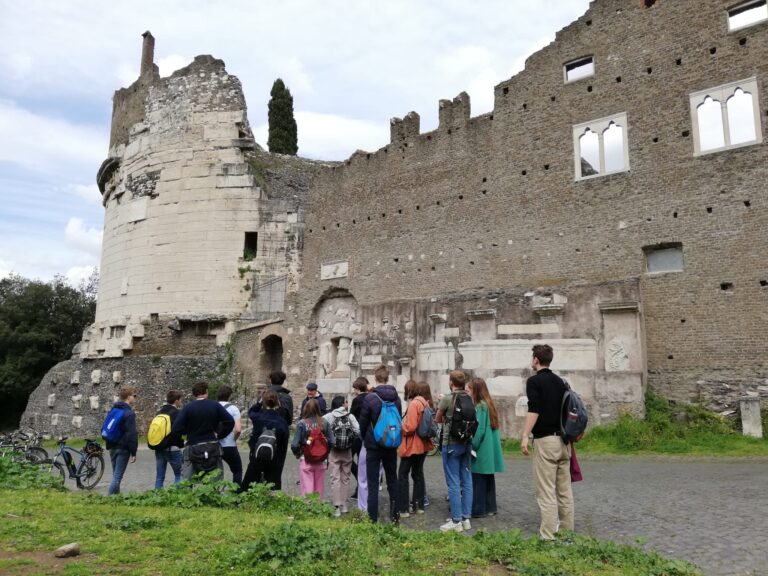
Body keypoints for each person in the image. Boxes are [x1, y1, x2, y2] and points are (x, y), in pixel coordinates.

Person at [521, 343, 573, 540]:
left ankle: (548, 536)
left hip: (545, 441)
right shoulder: (561, 382)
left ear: (536, 359)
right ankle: (567, 534)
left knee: (546, 491)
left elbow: (534, 410)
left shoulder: (534, 382)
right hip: (564, 441)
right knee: (564, 491)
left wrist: (525, 435)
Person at [358, 364, 402, 523]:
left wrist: (366, 439)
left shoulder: (370, 398)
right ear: (388, 377)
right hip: (391, 445)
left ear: (375, 378)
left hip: (373, 446)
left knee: (373, 484)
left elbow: (363, 424)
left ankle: (372, 521)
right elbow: (398, 421)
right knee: (392, 480)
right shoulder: (396, 398)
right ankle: (395, 518)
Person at [172, 381, 234, 481]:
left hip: (193, 445)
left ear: (194, 394)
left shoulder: (188, 408)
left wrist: (184, 436)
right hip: (212, 446)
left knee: (187, 482)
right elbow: (230, 421)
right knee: (214, 481)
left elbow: (176, 429)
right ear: (206, 391)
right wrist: (220, 434)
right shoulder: (215, 405)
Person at [435, 370, 474, 532]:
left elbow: (437, 419)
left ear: (451, 383)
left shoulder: (448, 399)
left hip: (450, 444)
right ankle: (466, 518)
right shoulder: (469, 398)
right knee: (467, 480)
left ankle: (456, 521)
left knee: (453, 482)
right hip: (466, 443)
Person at [467, 377, 504, 518]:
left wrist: (472, 445)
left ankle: (478, 509)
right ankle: (490, 507)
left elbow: (479, 429)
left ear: (476, 390)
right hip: (489, 448)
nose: (467, 391)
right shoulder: (488, 403)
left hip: (482, 449)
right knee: (488, 478)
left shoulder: (480, 406)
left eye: (469, 389)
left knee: (478, 479)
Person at [242, 389, 290, 491]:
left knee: (249, 485)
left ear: (263, 401)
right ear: (277, 402)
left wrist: (259, 403)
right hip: (274, 458)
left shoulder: (258, 417)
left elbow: (251, 412)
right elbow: (283, 444)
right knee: (272, 487)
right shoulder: (282, 422)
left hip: (256, 455)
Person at [398, 380, 432, 517]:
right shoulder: (425, 403)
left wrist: (401, 427)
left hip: (412, 445)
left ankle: (404, 509)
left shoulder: (414, 404)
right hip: (423, 444)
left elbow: (410, 427)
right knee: (418, 474)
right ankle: (419, 506)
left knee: (403, 475)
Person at [324, 395, 360, 516]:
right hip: (347, 451)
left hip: (334, 451)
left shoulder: (329, 416)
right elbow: (358, 430)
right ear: (341, 404)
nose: (346, 404)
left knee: (335, 478)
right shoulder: (350, 416)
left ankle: (336, 507)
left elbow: (321, 427)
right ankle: (344, 505)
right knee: (346, 478)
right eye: (345, 402)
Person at [291, 398, 334, 497]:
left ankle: (307, 510)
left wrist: (298, 454)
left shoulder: (302, 423)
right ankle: (318, 509)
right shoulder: (324, 422)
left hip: (306, 459)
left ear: (305, 409)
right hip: (321, 460)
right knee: (319, 488)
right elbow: (332, 441)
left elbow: (294, 444)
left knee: (307, 488)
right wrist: (325, 453)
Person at [106, 386, 138, 495]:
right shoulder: (129, 413)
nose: (135, 398)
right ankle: (109, 499)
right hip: (123, 447)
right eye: (134, 396)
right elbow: (132, 434)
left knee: (116, 474)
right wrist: (133, 452)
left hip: (112, 445)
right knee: (117, 476)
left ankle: (116, 498)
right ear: (129, 397)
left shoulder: (114, 409)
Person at [153, 389, 184, 488]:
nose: (181, 402)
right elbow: (179, 431)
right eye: (180, 400)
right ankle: (177, 497)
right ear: (176, 401)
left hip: (159, 447)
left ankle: (157, 498)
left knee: (159, 477)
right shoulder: (177, 413)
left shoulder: (159, 412)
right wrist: (181, 443)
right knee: (179, 475)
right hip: (173, 449)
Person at [217, 385, 243, 487]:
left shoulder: (212, 406)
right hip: (229, 445)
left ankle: (213, 494)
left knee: (214, 472)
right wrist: (234, 439)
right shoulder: (233, 409)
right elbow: (238, 429)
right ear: (229, 396)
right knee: (237, 470)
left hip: (213, 444)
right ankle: (236, 495)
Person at [349, 376, 370, 502]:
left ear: (358, 388)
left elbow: (351, 416)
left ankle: (359, 480)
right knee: (363, 461)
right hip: (367, 434)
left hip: (357, 434)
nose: (354, 391)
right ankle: (360, 489)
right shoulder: (371, 398)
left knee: (348, 458)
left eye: (355, 388)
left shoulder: (357, 400)